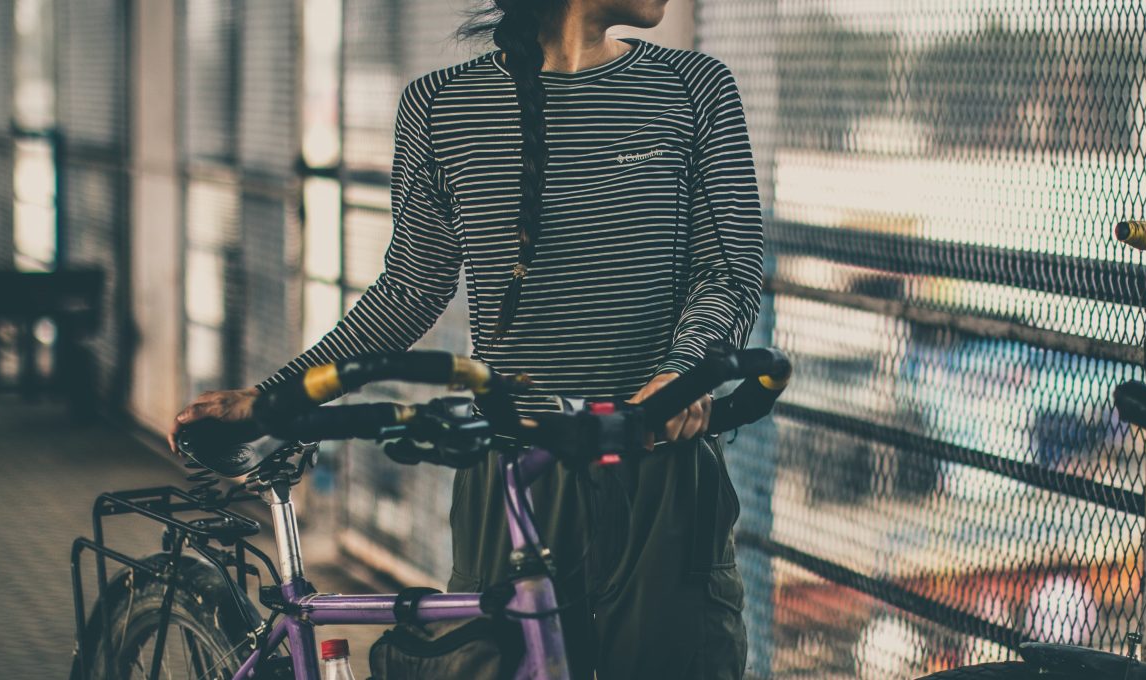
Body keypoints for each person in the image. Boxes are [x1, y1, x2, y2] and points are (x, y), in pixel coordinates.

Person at [175, 1, 764, 677]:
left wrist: (681, 372)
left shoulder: (693, 87)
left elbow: (730, 271)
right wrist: (272, 397)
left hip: (661, 465)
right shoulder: (441, 105)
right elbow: (409, 291)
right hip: (510, 472)